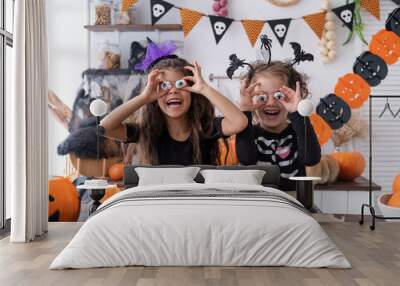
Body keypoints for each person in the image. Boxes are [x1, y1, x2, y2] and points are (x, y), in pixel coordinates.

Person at [100, 55, 248, 165]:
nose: (173, 91)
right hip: (162, 202)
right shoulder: (146, 130)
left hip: (199, 201)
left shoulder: (206, 128)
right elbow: (105, 128)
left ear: (192, 91)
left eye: (180, 84)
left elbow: (239, 122)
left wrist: (204, 88)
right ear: (154, 97)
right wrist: (144, 97)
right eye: (164, 86)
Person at [236, 61, 321, 191]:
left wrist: (297, 112)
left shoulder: (297, 131)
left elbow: (311, 159)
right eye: (262, 97)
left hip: (294, 201)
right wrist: (246, 111)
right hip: (259, 202)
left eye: (279, 96)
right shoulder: (249, 132)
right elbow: (246, 160)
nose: (271, 103)